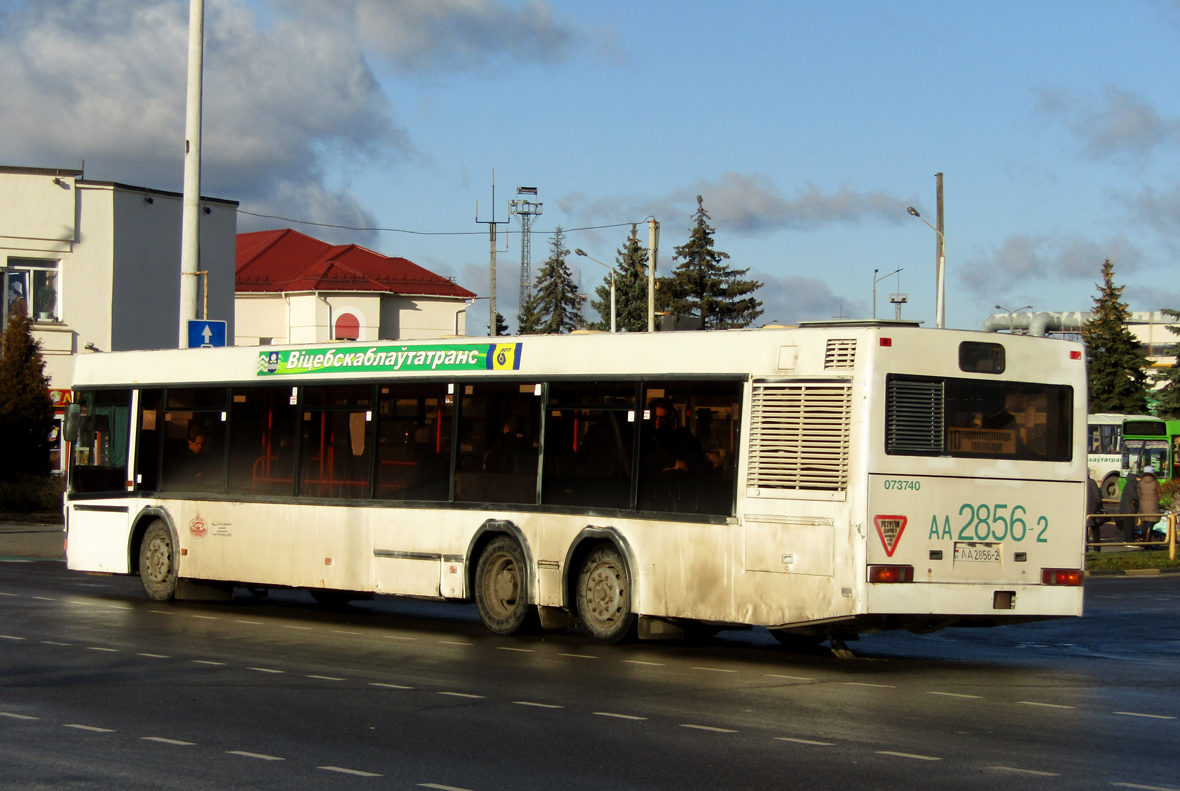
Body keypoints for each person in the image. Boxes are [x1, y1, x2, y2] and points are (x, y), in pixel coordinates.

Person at [1137, 466, 1161, 543]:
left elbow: (1138, 493)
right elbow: (1160, 494)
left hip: (1143, 505)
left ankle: (1144, 540)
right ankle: (1148, 541)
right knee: (1151, 522)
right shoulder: (1156, 483)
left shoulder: (1140, 483)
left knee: (1144, 522)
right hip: (1153, 505)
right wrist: (1156, 500)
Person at [1117, 469, 1140, 542]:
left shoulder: (1129, 483)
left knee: (1128, 525)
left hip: (1127, 507)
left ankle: (1127, 540)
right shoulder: (1133, 484)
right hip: (1129, 508)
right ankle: (1129, 541)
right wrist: (1142, 498)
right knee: (1129, 525)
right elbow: (1134, 496)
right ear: (1137, 478)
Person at [1086, 467, 1104, 550]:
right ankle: (1097, 548)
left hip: (1082, 509)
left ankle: (1085, 547)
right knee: (1095, 528)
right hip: (1092, 508)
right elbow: (1097, 497)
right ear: (1088, 473)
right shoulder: (1092, 482)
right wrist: (1099, 505)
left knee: (1084, 529)